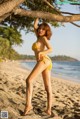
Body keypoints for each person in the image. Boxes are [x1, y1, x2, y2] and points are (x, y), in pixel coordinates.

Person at [23, 18, 53, 116]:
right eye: (40, 28)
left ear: (46, 31)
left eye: (43, 29)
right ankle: (49, 109)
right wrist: (37, 16)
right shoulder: (38, 36)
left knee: (29, 80)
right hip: (45, 62)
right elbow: (35, 25)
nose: (40, 30)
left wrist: (42, 52)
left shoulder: (43, 38)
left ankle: (28, 105)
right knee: (47, 87)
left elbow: (51, 49)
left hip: (44, 60)